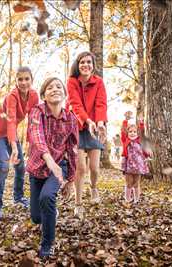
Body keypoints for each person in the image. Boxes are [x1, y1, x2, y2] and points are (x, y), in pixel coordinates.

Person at [26, 77, 78, 258]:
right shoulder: (36, 112)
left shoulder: (71, 119)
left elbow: (72, 150)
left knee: (47, 197)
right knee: (36, 217)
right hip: (38, 167)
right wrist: (48, 160)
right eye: (50, 88)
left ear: (64, 93)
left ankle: (48, 244)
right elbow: (36, 136)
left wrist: (70, 179)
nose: (55, 89)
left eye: (58, 87)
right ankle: (49, 213)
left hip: (59, 167)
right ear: (43, 95)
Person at [0, 66, 39, 223]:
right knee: (4, 165)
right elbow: (11, 120)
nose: (23, 82)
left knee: (21, 166)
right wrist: (14, 147)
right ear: (16, 81)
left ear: (32, 80)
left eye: (27, 79)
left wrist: (32, 144)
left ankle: (18, 197)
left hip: (12, 134)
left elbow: (32, 121)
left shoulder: (34, 96)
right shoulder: (12, 96)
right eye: (20, 79)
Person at [66, 51, 107, 219]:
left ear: (93, 65)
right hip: (77, 126)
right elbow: (75, 104)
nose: (85, 65)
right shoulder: (71, 82)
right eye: (82, 62)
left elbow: (101, 103)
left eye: (89, 62)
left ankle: (94, 187)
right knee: (81, 168)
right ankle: (78, 203)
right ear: (78, 64)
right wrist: (88, 121)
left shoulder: (98, 82)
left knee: (94, 168)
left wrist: (99, 123)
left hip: (95, 128)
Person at [121, 123, 150, 203]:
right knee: (129, 182)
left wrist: (141, 123)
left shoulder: (139, 141)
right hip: (128, 165)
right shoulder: (126, 140)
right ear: (127, 133)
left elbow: (142, 132)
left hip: (138, 165)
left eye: (134, 132)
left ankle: (137, 199)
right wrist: (125, 121)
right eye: (130, 131)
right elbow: (123, 131)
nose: (132, 133)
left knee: (136, 183)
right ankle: (127, 199)